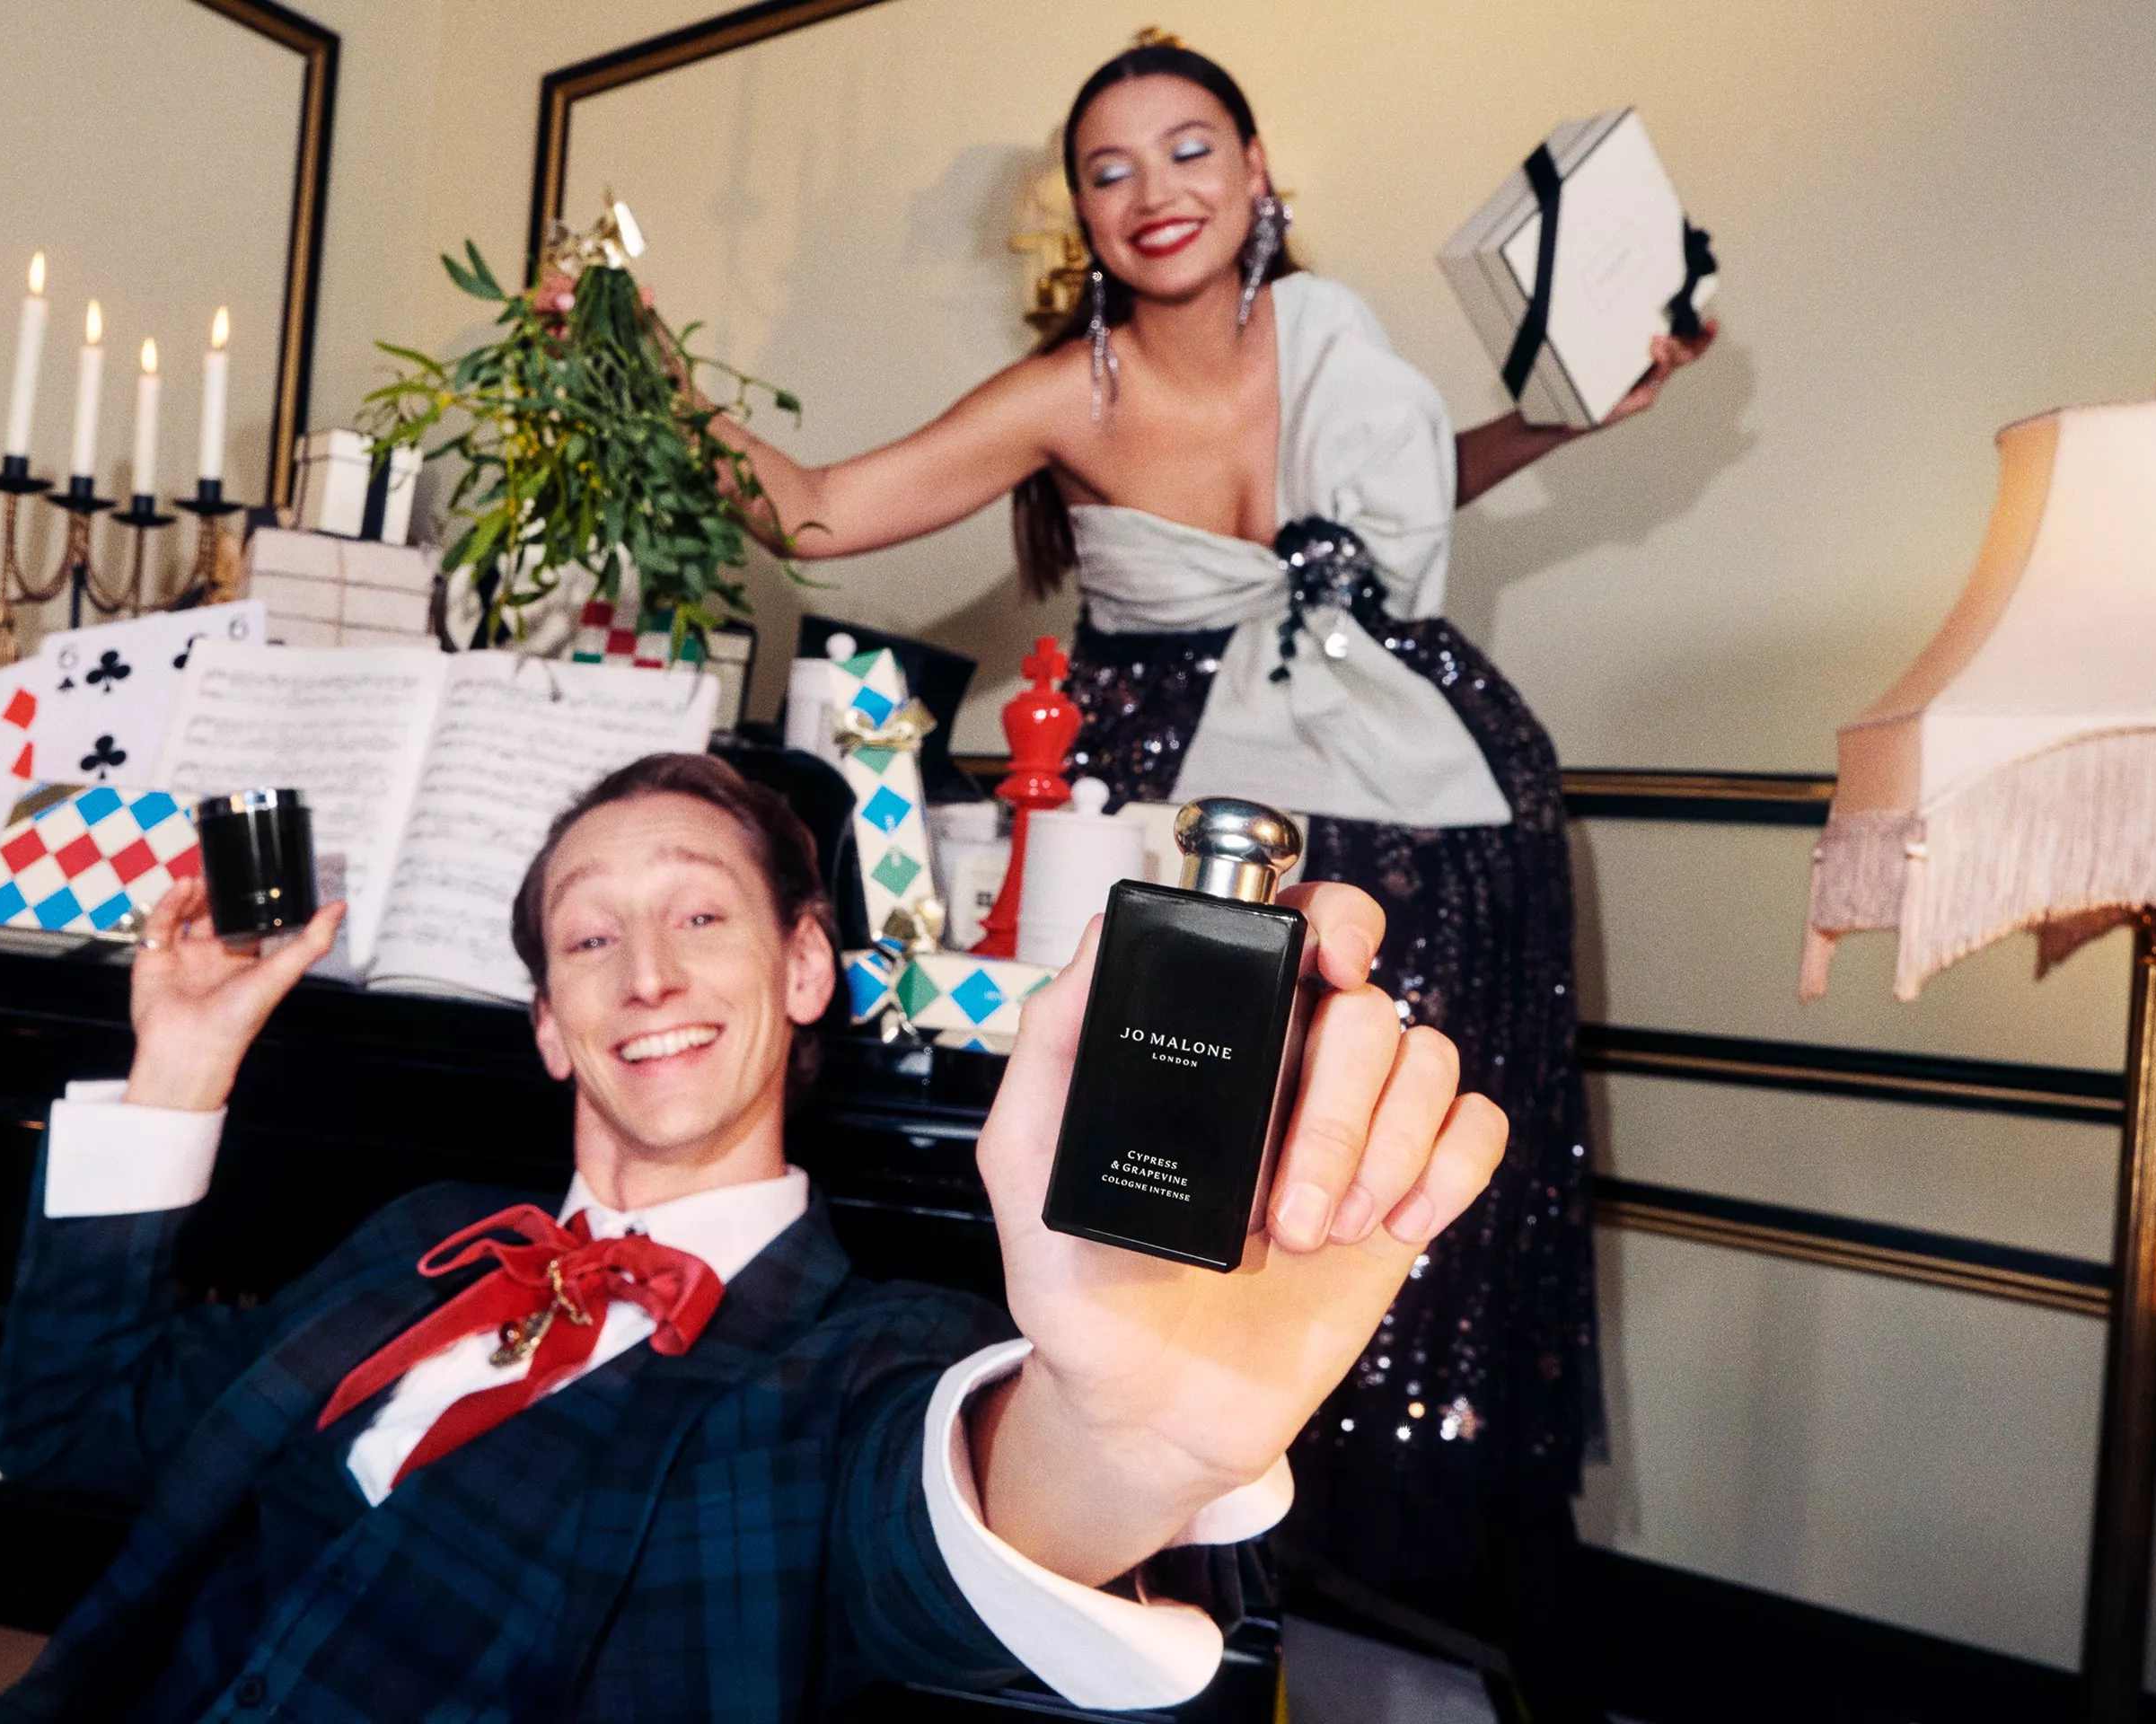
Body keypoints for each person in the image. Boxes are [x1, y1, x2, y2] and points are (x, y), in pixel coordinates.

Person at [0, 752, 1506, 1721]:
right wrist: (180, 1068)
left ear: (812, 977)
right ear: (538, 1018)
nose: (644, 970)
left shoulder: (843, 1368)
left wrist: (1118, 1434)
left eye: (703, 921)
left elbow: (932, 1525)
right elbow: (77, 1425)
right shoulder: (420, 1241)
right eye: (586, 938)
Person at [667, 40, 1717, 1717]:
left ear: (1255, 169)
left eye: (1189, 150)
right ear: (1077, 216)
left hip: (1452, 822)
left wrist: (1569, 419)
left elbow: (1381, 513)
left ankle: (1430, 1628)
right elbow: (810, 511)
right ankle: (1184, 1621)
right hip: (1208, 833)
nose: (1156, 193)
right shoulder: (1066, 393)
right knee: (1190, 1222)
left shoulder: (1340, 336)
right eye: (1110, 169)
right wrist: (639, 359)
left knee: (1408, 1188)